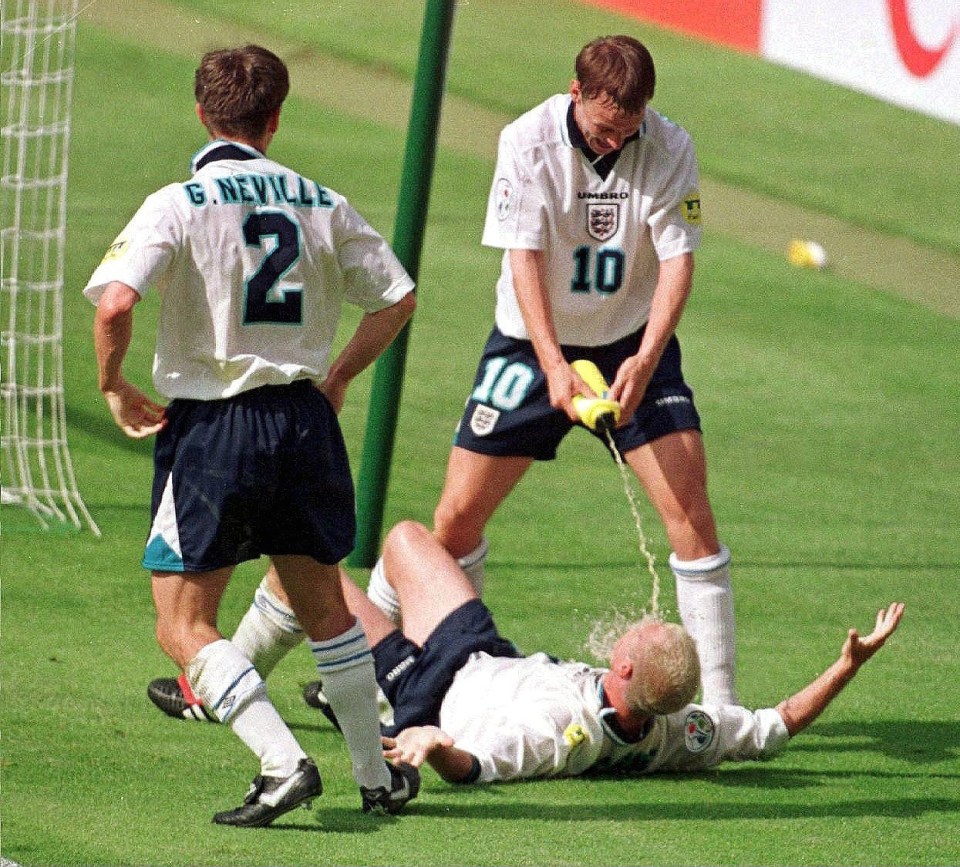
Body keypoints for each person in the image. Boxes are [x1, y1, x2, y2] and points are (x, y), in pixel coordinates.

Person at [85, 44, 419, 826]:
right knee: (325, 607)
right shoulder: (319, 199)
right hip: (303, 420)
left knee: (181, 624)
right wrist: (336, 377)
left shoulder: (179, 200)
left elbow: (114, 304)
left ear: (203, 114)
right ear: (275, 119)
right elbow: (397, 298)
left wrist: (112, 383)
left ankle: (283, 762)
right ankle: (377, 777)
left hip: (216, 427)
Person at [364, 34, 738, 706]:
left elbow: (679, 260)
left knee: (691, 512)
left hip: (631, 341)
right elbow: (524, 258)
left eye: (628, 131)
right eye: (602, 129)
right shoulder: (526, 140)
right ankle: (383, 666)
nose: (612, 144)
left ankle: (720, 707)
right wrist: (555, 367)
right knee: (454, 519)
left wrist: (647, 361)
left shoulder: (670, 144)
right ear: (576, 93)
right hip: (532, 345)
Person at [148, 521, 904, 785]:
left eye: (637, 635)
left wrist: (434, 743)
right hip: (482, 650)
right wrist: (846, 666)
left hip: (431, 690)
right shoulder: (685, 731)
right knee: (409, 540)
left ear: (627, 669)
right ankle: (359, 678)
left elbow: (478, 766)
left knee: (298, 561)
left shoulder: (558, 730)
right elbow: (774, 727)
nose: (633, 625)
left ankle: (212, 689)